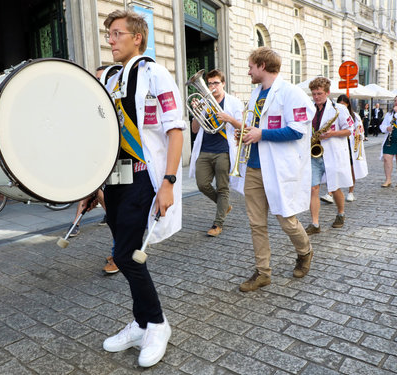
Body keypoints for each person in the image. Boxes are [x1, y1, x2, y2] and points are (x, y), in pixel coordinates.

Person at [83, 9, 185, 367]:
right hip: (114, 181)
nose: (110, 39)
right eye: (109, 34)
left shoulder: (155, 73)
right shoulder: (110, 78)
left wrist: (169, 182)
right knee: (123, 251)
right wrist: (91, 185)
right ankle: (141, 323)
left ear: (137, 37)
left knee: (126, 255)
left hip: (145, 176)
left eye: (116, 33)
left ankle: (156, 323)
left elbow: (175, 129)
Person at [237, 47, 315, 293]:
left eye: (251, 66)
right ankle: (263, 272)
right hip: (253, 167)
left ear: (261, 65)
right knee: (256, 224)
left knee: (287, 220)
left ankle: (305, 252)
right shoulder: (255, 93)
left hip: (278, 169)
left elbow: (298, 129)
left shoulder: (292, 93)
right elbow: (253, 126)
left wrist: (262, 134)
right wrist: (245, 131)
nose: (248, 71)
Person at [66, 66, 118, 274]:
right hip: (101, 166)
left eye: (102, 79)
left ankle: (120, 253)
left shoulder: (116, 104)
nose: (99, 83)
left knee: (116, 214)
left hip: (119, 167)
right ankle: (122, 248)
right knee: (113, 213)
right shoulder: (96, 105)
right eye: (97, 79)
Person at [188, 69, 243, 237]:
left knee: (222, 188)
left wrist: (229, 119)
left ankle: (218, 224)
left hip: (224, 151)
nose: (212, 87)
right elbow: (195, 130)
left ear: (223, 84)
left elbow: (243, 128)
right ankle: (224, 206)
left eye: (216, 83)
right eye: (209, 83)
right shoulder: (204, 102)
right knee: (202, 184)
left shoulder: (234, 102)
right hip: (204, 150)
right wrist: (196, 113)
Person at [305, 78, 353, 236]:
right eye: (314, 94)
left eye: (319, 93)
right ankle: (315, 223)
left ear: (327, 93)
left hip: (332, 154)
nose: (316, 97)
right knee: (313, 188)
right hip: (314, 154)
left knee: (334, 186)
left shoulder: (339, 109)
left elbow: (349, 130)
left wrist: (332, 134)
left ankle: (340, 213)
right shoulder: (309, 109)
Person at [336, 95, 368, 201]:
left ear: (348, 104)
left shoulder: (355, 116)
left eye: (343, 105)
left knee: (352, 169)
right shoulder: (334, 115)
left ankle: (350, 192)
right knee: (336, 169)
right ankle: (331, 192)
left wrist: (358, 135)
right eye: (339, 104)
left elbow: (360, 132)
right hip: (338, 145)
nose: (341, 107)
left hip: (350, 145)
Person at [379, 96, 397, 187]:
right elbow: (382, 126)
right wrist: (386, 128)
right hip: (390, 139)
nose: (396, 102)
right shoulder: (389, 114)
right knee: (386, 158)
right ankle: (388, 179)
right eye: (395, 101)